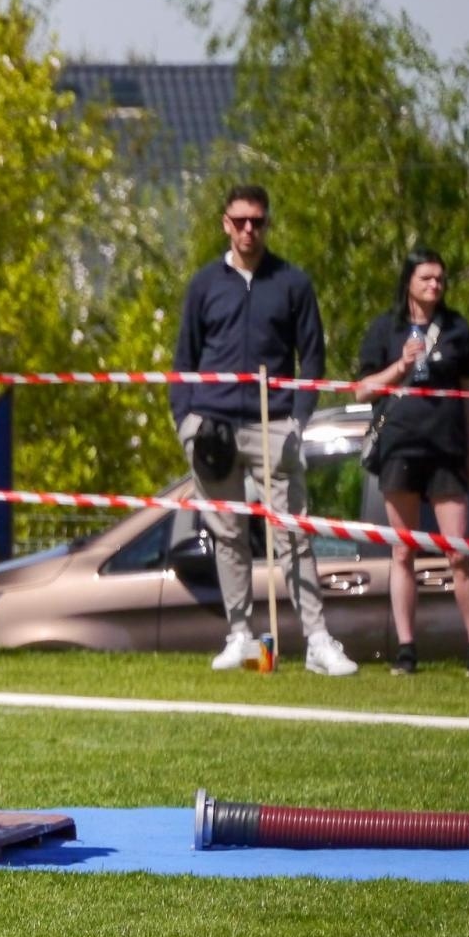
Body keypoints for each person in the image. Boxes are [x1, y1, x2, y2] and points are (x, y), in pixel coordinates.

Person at [170, 184, 357, 676]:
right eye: (240, 221)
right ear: (225, 224)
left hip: (274, 421)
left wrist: (299, 418)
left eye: (258, 221)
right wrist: (184, 422)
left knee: (292, 532)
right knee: (227, 534)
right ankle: (239, 635)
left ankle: (317, 640)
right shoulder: (203, 284)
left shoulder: (292, 282)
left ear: (267, 224)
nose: (249, 229)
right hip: (211, 425)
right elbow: (184, 360)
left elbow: (312, 357)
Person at [355, 249, 469, 676]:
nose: (435, 285)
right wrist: (400, 365)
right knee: (402, 551)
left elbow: (468, 397)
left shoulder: (456, 329)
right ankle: (407, 649)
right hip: (400, 447)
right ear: (409, 281)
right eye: (427, 278)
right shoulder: (384, 329)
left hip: (446, 449)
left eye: (440, 280)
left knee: (458, 551)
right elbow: (361, 391)